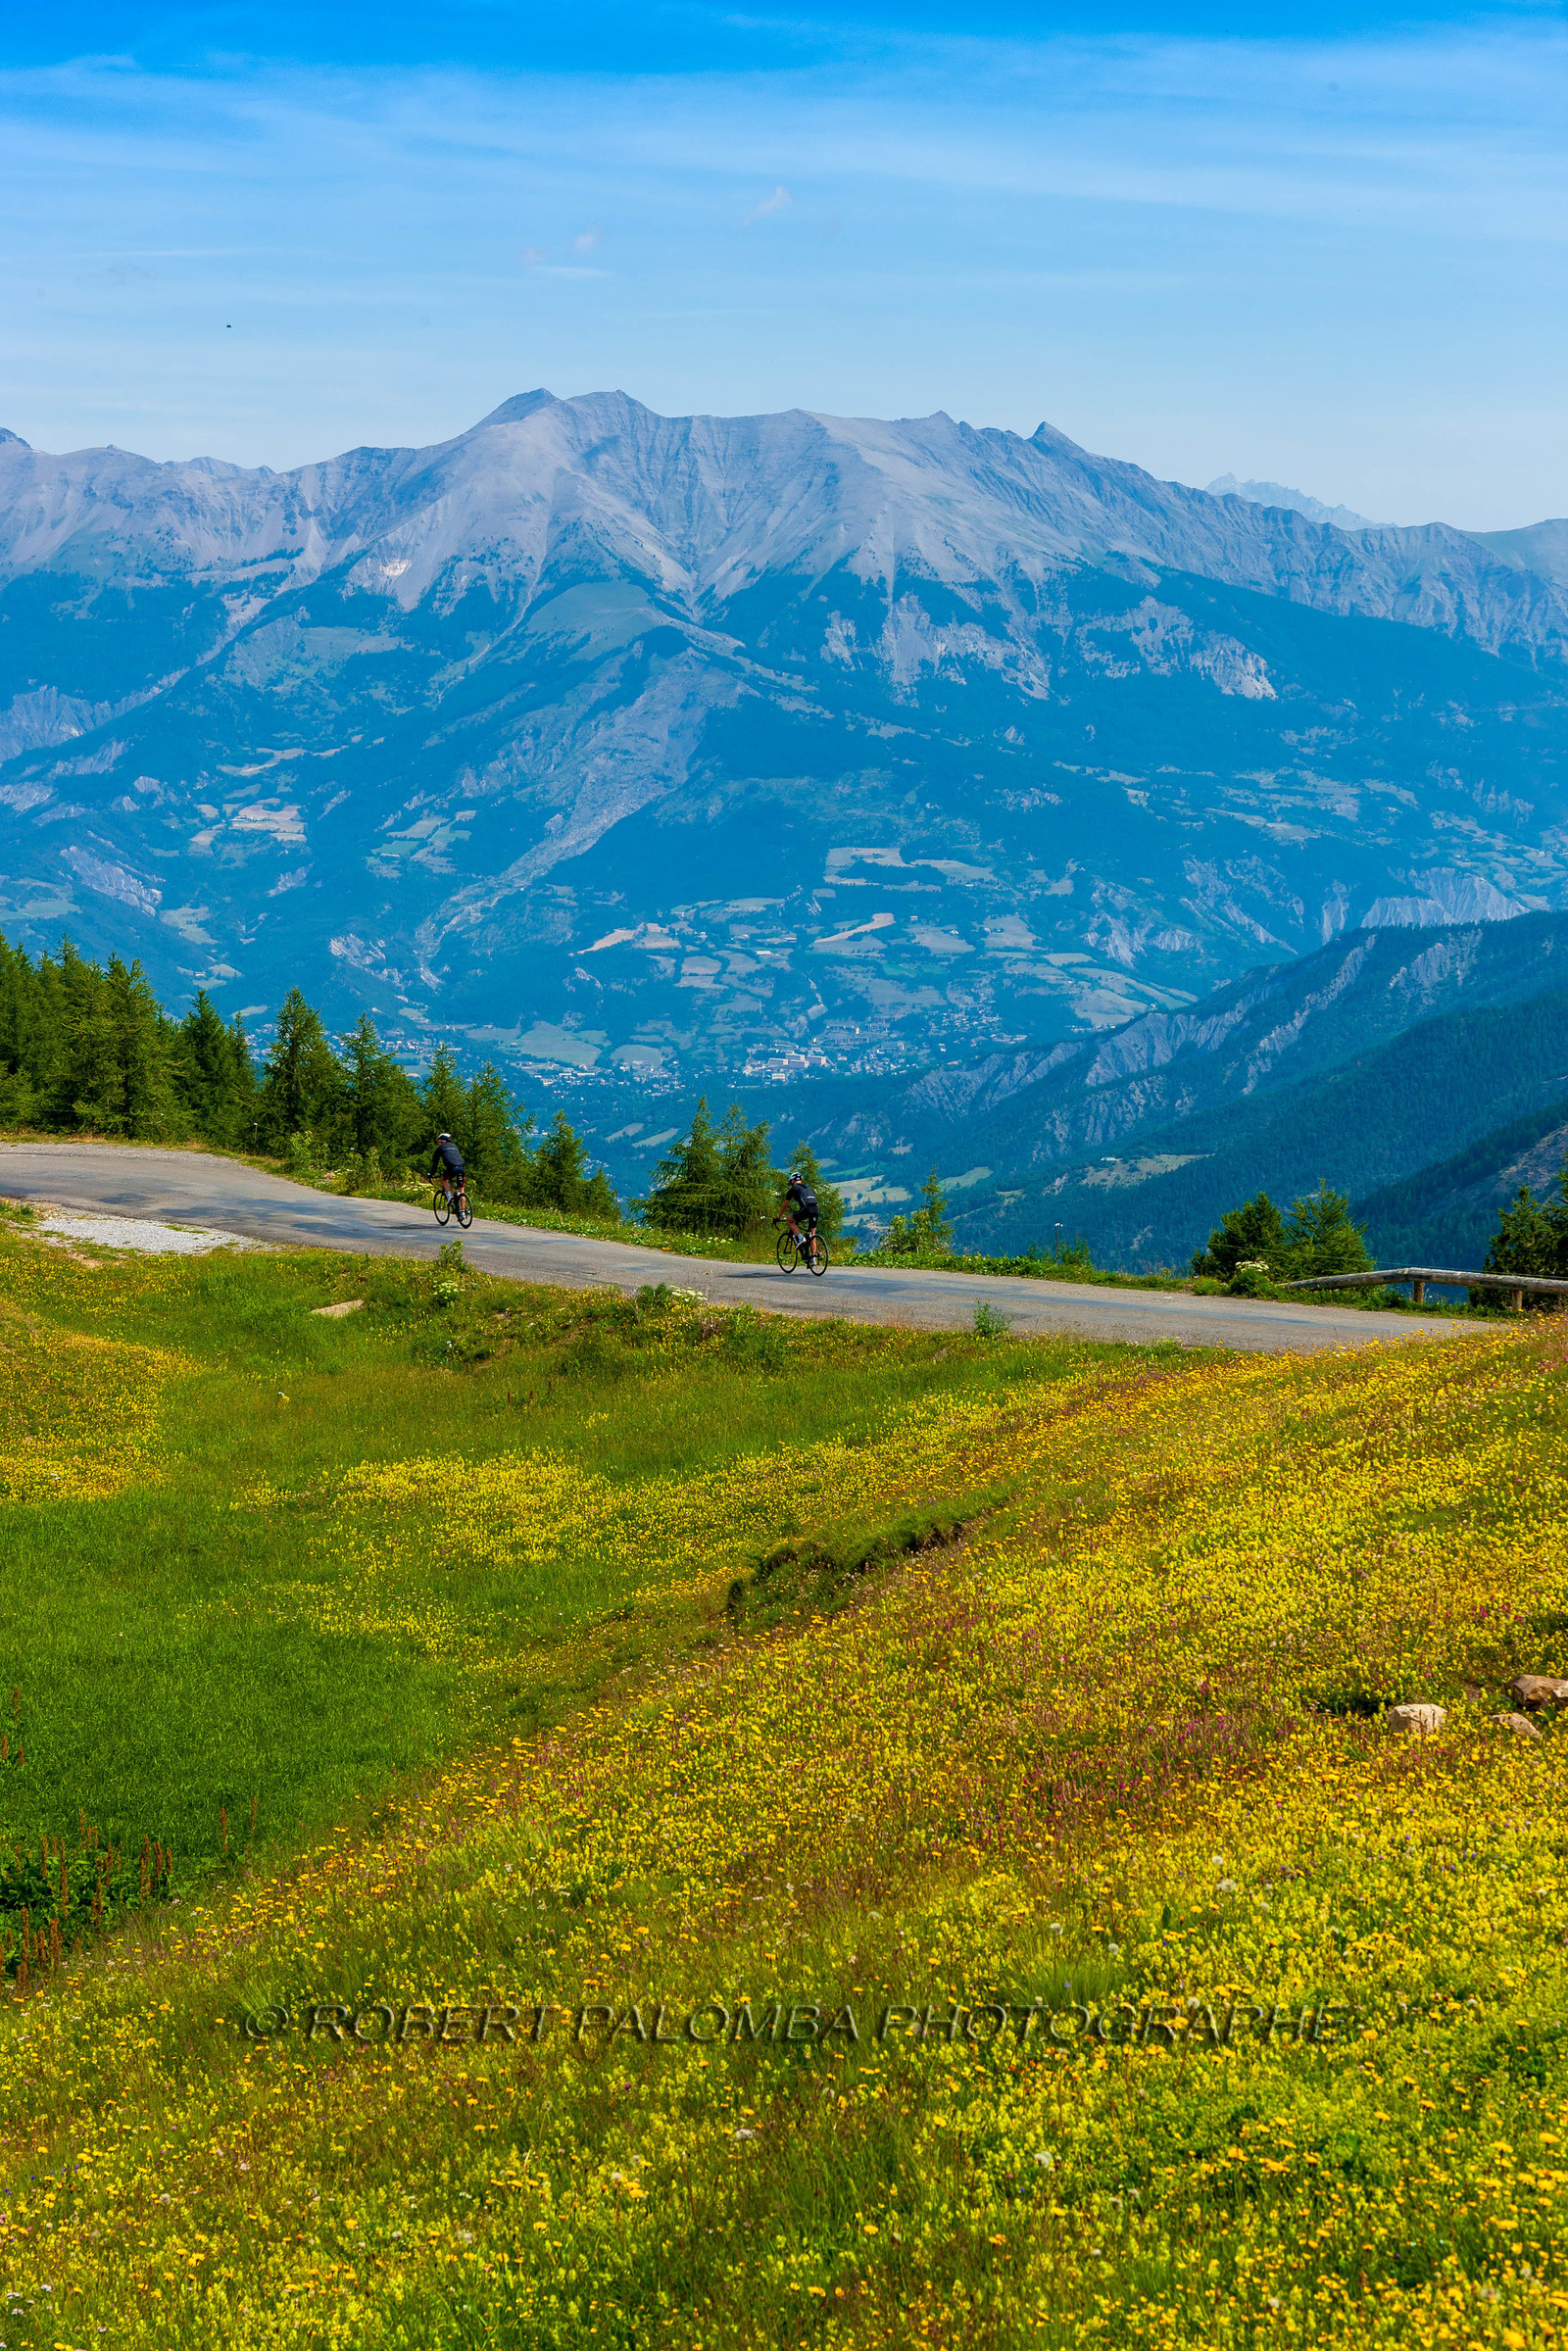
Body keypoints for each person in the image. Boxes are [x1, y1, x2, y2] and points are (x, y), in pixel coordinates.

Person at [784, 1167, 818, 1259]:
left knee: (789, 1220)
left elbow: (785, 1205)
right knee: (812, 1234)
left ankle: (800, 1237)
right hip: (816, 1209)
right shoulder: (808, 1188)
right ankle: (813, 1259)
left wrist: (778, 1217)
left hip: (806, 1209)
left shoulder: (793, 1189)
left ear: (792, 1181)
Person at [429, 1131, 466, 1210]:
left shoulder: (440, 1148)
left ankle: (449, 1196)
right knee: (461, 1190)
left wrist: (431, 1174)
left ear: (442, 1141)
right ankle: (463, 1212)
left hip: (452, 1168)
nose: (438, 1143)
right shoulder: (454, 1146)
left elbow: (435, 1164)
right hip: (461, 1168)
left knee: (443, 1178)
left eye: (439, 1142)